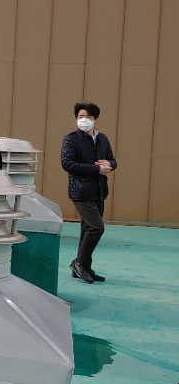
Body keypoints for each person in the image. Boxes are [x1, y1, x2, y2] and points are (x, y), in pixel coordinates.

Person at [61, 102, 117, 284]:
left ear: (95, 119)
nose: (84, 120)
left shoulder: (102, 139)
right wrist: (96, 169)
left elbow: (112, 160)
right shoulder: (71, 139)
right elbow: (67, 163)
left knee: (87, 230)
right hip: (80, 190)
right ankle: (78, 264)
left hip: (99, 191)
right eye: (80, 117)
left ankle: (83, 267)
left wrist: (110, 165)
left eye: (88, 117)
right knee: (96, 228)